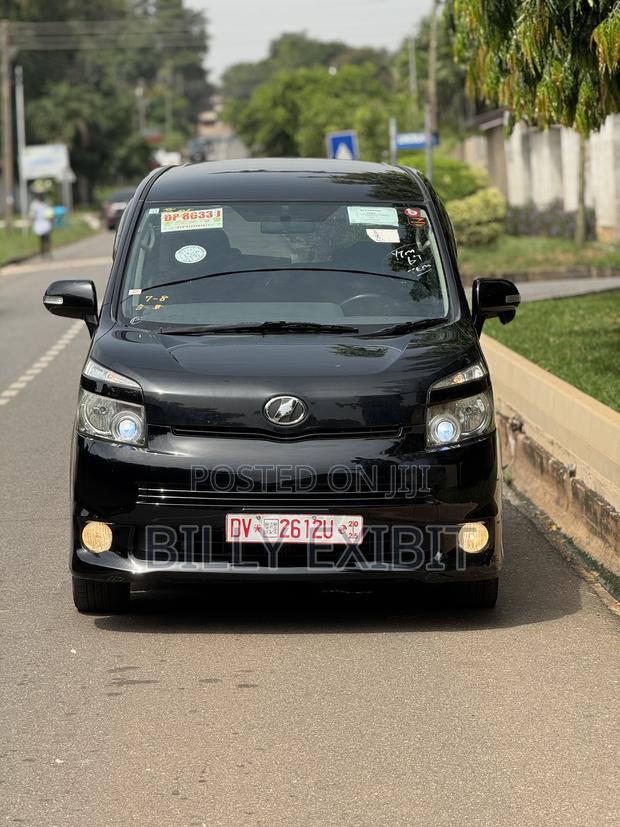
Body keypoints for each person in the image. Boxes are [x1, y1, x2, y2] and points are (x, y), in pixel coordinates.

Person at [29, 193, 54, 258]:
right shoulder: (35, 205)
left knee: (47, 238)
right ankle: (42, 252)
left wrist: (51, 220)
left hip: (46, 222)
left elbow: (50, 214)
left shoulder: (47, 203)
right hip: (39, 223)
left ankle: (48, 251)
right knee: (41, 239)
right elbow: (32, 215)